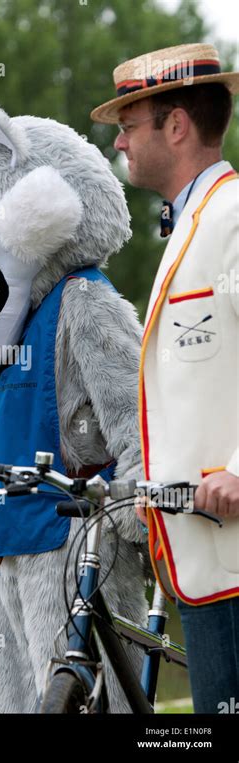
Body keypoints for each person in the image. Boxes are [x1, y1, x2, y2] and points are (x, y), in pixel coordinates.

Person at [91, 43, 239, 713]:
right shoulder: (193, 222)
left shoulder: (233, 217)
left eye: (131, 121)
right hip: (200, 552)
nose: (119, 138)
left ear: (175, 126)